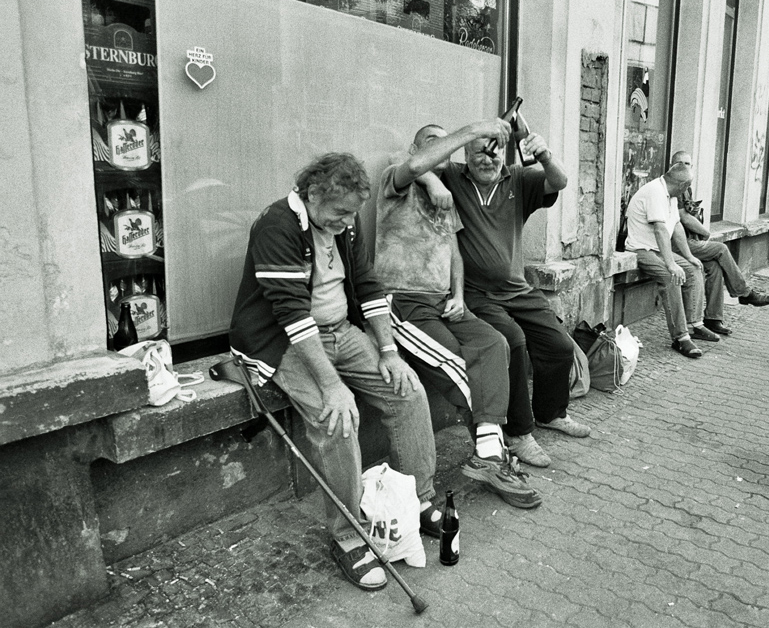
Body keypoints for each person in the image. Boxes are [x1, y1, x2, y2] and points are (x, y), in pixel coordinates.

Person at [229, 153, 438, 593]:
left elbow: (367, 285)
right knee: (337, 419)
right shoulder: (276, 225)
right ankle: (349, 537)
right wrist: (332, 386)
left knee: (408, 390)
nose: (348, 222)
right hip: (284, 340)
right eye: (341, 212)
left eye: (352, 214)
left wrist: (388, 350)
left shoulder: (344, 223)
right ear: (313, 193)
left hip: (341, 329)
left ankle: (416, 501)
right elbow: (291, 314)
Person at [373, 120, 541, 509]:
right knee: (462, 367)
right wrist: (472, 131)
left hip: (444, 302)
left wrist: (460, 296)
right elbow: (414, 166)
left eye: (445, 145)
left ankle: (489, 458)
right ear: (416, 147)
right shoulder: (394, 182)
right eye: (435, 143)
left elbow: (454, 252)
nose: (443, 149)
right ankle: (496, 459)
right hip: (404, 301)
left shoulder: (445, 195)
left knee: (494, 343)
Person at [433, 121, 591, 468]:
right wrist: (463, 139)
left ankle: (550, 412)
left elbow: (559, 181)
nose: (486, 160)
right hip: (476, 293)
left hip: (518, 290)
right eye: (478, 153)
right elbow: (416, 161)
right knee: (515, 343)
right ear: (465, 154)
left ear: (503, 153)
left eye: (493, 153)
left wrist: (544, 153)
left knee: (559, 346)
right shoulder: (453, 178)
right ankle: (520, 433)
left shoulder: (517, 179)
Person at [670, 150, 769, 335]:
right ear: (672, 166)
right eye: (680, 163)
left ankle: (713, 318)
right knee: (721, 249)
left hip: (688, 240)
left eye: (688, 164)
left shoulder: (686, 186)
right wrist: (705, 231)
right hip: (675, 243)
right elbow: (682, 217)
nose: (684, 167)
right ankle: (744, 293)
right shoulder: (673, 185)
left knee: (715, 268)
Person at [625, 163, 713, 358]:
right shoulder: (656, 191)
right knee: (670, 277)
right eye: (688, 187)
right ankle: (681, 338)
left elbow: (676, 227)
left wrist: (689, 256)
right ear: (683, 185)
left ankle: (695, 324)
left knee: (693, 268)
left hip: (657, 249)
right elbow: (660, 229)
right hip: (642, 249)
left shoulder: (670, 196)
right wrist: (671, 264)